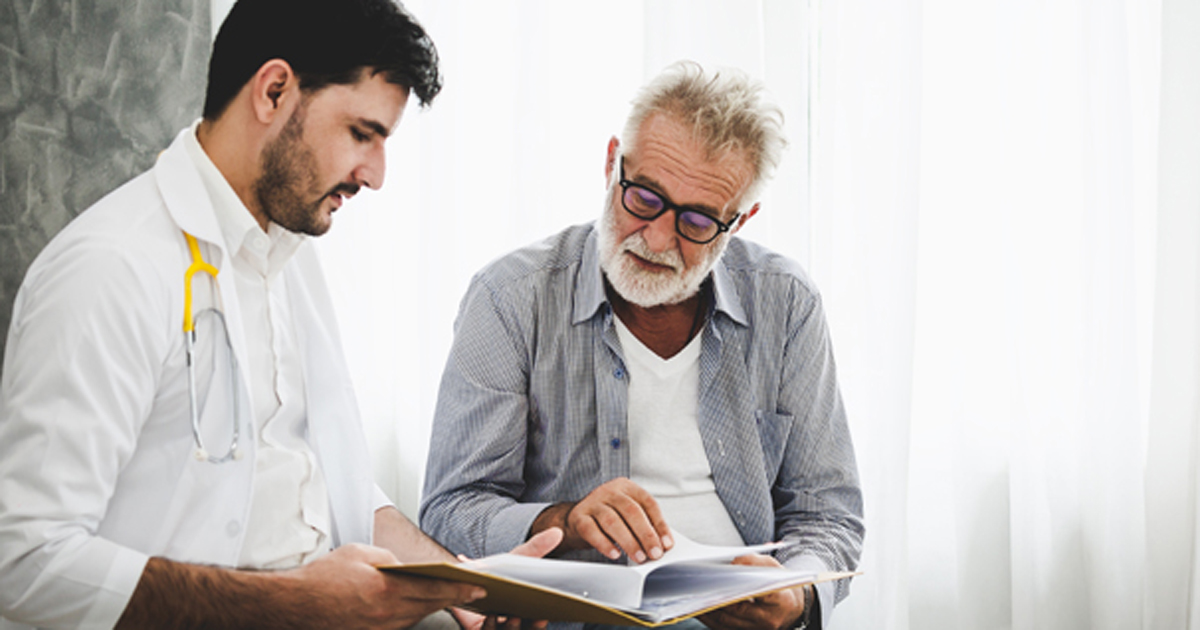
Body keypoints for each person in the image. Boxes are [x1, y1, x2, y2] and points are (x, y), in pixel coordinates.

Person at [0, 1, 560, 628]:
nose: (375, 175)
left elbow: (324, 480)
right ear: (273, 91)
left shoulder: (287, 255)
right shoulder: (110, 268)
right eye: (362, 133)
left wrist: (464, 591)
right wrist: (299, 604)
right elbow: (23, 563)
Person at [420, 61, 864, 630]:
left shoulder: (786, 301)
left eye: (698, 221)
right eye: (645, 198)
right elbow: (450, 509)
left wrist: (796, 600)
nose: (656, 239)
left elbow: (829, 514)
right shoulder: (510, 297)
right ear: (612, 164)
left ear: (740, 220)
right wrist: (564, 519)